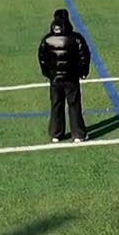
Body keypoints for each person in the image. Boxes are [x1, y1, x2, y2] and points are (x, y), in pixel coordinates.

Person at [37, 8, 91, 143]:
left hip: (55, 78)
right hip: (71, 78)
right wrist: (83, 72)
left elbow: (42, 58)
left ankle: (56, 133)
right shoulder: (76, 38)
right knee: (74, 105)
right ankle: (78, 134)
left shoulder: (47, 40)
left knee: (56, 104)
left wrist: (47, 73)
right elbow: (84, 56)